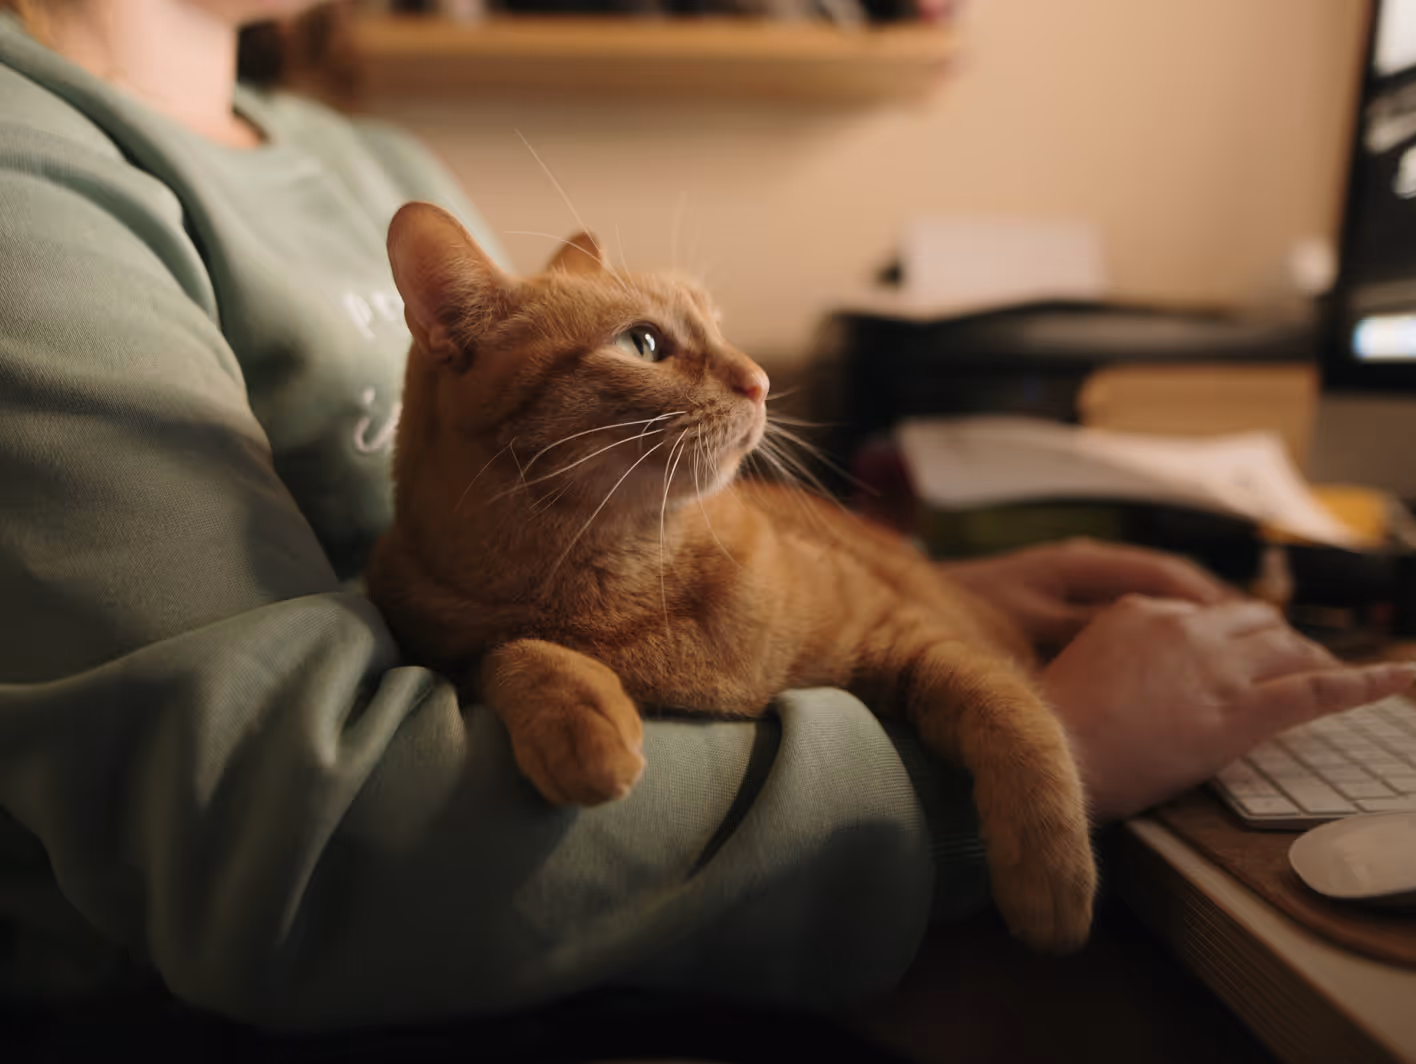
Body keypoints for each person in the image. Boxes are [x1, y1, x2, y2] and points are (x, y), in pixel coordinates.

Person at [1, 0, 1412, 1033]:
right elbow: (283, 856)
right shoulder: (30, 172)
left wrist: (932, 602)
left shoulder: (360, 158)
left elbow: (596, 502)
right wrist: (1032, 763)